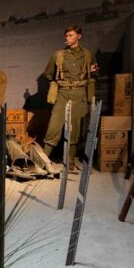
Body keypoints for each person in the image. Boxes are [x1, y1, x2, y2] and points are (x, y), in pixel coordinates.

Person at [43, 24, 98, 171]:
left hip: (79, 94)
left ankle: (70, 161)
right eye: (66, 36)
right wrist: (58, 85)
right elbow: (48, 74)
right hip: (62, 93)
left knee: (76, 128)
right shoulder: (58, 55)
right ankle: (43, 160)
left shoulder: (88, 55)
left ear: (78, 36)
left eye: (71, 35)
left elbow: (94, 74)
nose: (67, 38)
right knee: (53, 126)